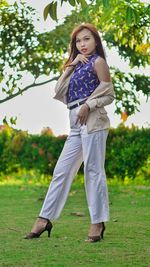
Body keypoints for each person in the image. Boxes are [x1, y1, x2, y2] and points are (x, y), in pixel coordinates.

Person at [24, 23, 115, 242]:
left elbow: (109, 94)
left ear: (96, 41)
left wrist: (88, 105)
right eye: (78, 41)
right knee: (61, 172)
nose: (83, 44)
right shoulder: (77, 65)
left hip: (93, 120)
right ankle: (45, 218)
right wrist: (70, 65)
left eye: (87, 39)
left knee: (93, 171)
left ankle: (97, 222)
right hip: (74, 123)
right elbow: (58, 90)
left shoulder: (98, 62)